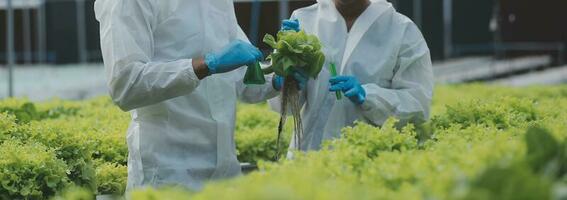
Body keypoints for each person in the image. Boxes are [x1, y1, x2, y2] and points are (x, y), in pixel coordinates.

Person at [94, 0, 283, 190]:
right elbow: (126, 85)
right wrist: (205, 65)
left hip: (227, 177)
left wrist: (276, 78)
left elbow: (241, 79)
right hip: (169, 178)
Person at [270, 0, 434, 152]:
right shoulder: (304, 20)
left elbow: (418, 105)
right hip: (309, 157)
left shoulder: (401, 29)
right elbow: (284, 107)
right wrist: (287, 81)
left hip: (366, 159)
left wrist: (369, 96)